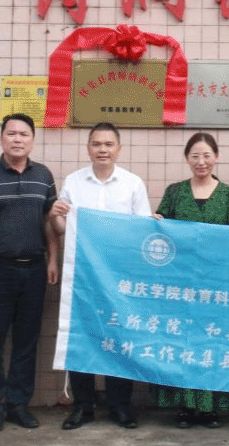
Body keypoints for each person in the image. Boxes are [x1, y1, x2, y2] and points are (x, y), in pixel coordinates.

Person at [51, 122, 153, 430]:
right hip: (82, 276)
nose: (103, 150)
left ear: (118, 149)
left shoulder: (132, 184)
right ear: (88, 148)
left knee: (119, 337)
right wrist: (56, 217)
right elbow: (62, 229)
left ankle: (119, 405)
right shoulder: (73, 182)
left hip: (120, 277)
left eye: (109, 144)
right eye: (97, 144)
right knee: (82, 337)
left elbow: (143, 230)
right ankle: (83, 406)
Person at [0, 112, 60, 433]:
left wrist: (52, 259)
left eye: (24, 134)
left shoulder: (43, 175)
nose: (18, 139)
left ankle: (18, 404)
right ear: (2, 138)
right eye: (12, 133)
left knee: (27, 341)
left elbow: (49, 220)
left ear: (33, 140)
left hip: (33, 270)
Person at [152, 132, 229, 428]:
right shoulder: (175, 192)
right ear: (187, 159)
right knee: (182, 342)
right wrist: (157, 222)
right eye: (195, 156)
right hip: (180, 283)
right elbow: (160, 230)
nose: (201, 161)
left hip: (216, 284)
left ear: (216, 157)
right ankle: (185, 407)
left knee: (212, 342)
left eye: (206, 155)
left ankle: (210, 407)